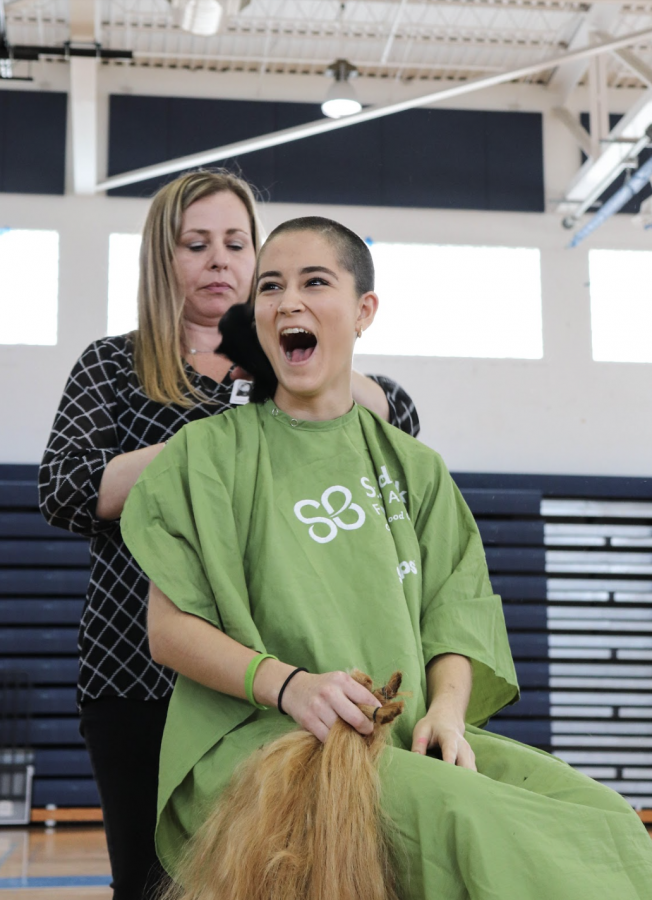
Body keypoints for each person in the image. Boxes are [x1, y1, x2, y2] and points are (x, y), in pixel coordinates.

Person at [121, 216, 652, 900]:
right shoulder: (206, 454)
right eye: (272, 287)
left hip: (404, 741)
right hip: (273, 741)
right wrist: (291, 686)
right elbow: (168, 631)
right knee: (474, 823)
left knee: (606, 820)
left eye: (316, 282)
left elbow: (456, 616)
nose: (289, 302)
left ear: (364, 311)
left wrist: (448, 714)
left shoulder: (417, 469)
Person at [37, 173, 420, 900]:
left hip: (274, 676)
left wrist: (278, 353)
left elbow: (398, 416)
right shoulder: (112, 365)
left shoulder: (288, 364)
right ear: (163, 258)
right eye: (196, 244)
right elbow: (64, 488)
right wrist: (207, 443)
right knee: (150, 886)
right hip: (137, 676)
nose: (218, 260)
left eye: (236, 244)